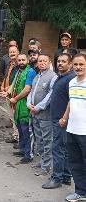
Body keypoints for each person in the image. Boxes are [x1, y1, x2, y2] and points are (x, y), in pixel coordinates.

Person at [42, 53, 75, 189]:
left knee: (57, 149)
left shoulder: (71, 79)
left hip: (62, 121)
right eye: (59, 61)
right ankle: (66, 176)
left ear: (70, 64)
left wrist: (64, 118)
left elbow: (73, 101)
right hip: (58, 119)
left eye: (63, 61)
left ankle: (56, 178)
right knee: (64, 149)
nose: (60, 63)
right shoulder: (60, 77)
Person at [59, 53, 86, 202]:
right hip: (72, 129)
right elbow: (71, 101)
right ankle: (81, 192)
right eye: (75, 64)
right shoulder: (72, 82)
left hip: (85, 131)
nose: (78, 67)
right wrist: (64, 117)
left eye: (81, 64)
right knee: (75, 162)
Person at [1, 53, 36, 163]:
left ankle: (28, 154)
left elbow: (27, 89)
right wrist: (7, 92)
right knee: (20, 128)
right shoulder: (18, 71)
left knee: (26, 130)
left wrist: (15, 98)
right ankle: (22, 149)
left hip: (25, 104)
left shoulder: (30, 72)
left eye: (23, 60)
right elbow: (13, 85)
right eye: (19, 60)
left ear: (27, 60)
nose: (21, 62)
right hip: (17, 105)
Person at [27, 54, 57, 176]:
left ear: (49, 62)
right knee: (39, 140)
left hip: (45, 115)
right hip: (35, 114)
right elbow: (31, 92)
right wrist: (29, 104)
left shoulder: (53, 76)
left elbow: (50, 95)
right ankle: (43, 162)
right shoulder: (36, 76)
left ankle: (46, 167)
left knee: (47, 141)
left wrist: (38, 107)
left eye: (45, 61)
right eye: (40, 61)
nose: (42, 63)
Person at [0, 45, 20, 143]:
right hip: (7, 93)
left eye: (14, 52)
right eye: (10, 52)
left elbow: (17, 80)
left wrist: (9, 89)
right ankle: (15, 135)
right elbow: (6, 76)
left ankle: (18, 137)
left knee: (16, 116)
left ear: (18, 52)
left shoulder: (19, 65)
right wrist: (3, 86)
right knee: (11, 116)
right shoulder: (9, 64)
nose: (12, 54)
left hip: (15, 94)